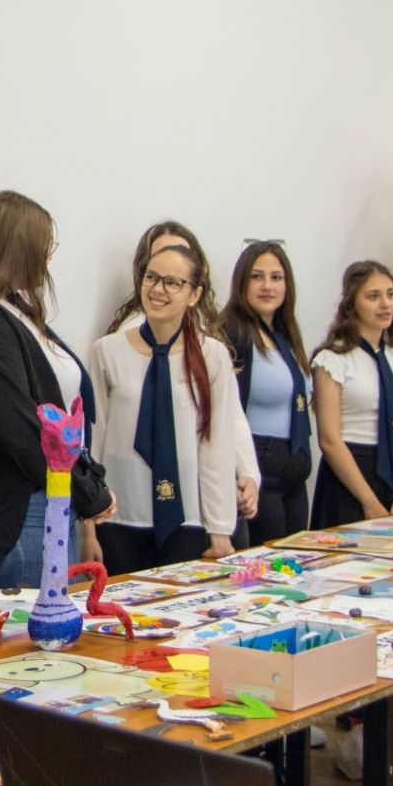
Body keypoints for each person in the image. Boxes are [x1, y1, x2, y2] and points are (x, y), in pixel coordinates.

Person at [0, 191, 117, 590]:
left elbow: (59, 420)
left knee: (55, 624)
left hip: (47, 501)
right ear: (18, 247)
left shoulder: (15, 313)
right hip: (19, 512)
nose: (48, 259)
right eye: (44, 246)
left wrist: (86, 487)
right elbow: (23, 432)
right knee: (33, 628)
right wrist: (89, 493)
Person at [85, 238, 257, 575]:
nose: (158, 289)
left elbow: (217, 445)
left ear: (194, 294)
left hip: (187, 521)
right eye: (151, 277)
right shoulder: (106, 352)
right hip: (120, 518)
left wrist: (220, 530)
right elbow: (93, 441)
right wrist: (87, 527)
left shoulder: (212, 356)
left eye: (172, 282)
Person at [309, 261, 393, 528]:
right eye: (373, 296)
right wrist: (369, 502)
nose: (385, 304)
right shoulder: (333, 360)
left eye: (390, 294)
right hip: (351, 477)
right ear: (352, 304)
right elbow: (330, 440)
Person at [221, 240, 315, 546]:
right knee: (264, 563)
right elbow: (225, 412)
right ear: (241, 282)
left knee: (297, 560)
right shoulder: (232, 333)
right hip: (260, 468)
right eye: (257, 277)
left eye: (276, 277)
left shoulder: (285, 334)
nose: (267, 286)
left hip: (294, 472)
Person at [102, 220, 224, 338]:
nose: (169, 262)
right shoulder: (133, 330)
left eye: (182, 253)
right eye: (161, 255)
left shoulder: (198, 319)